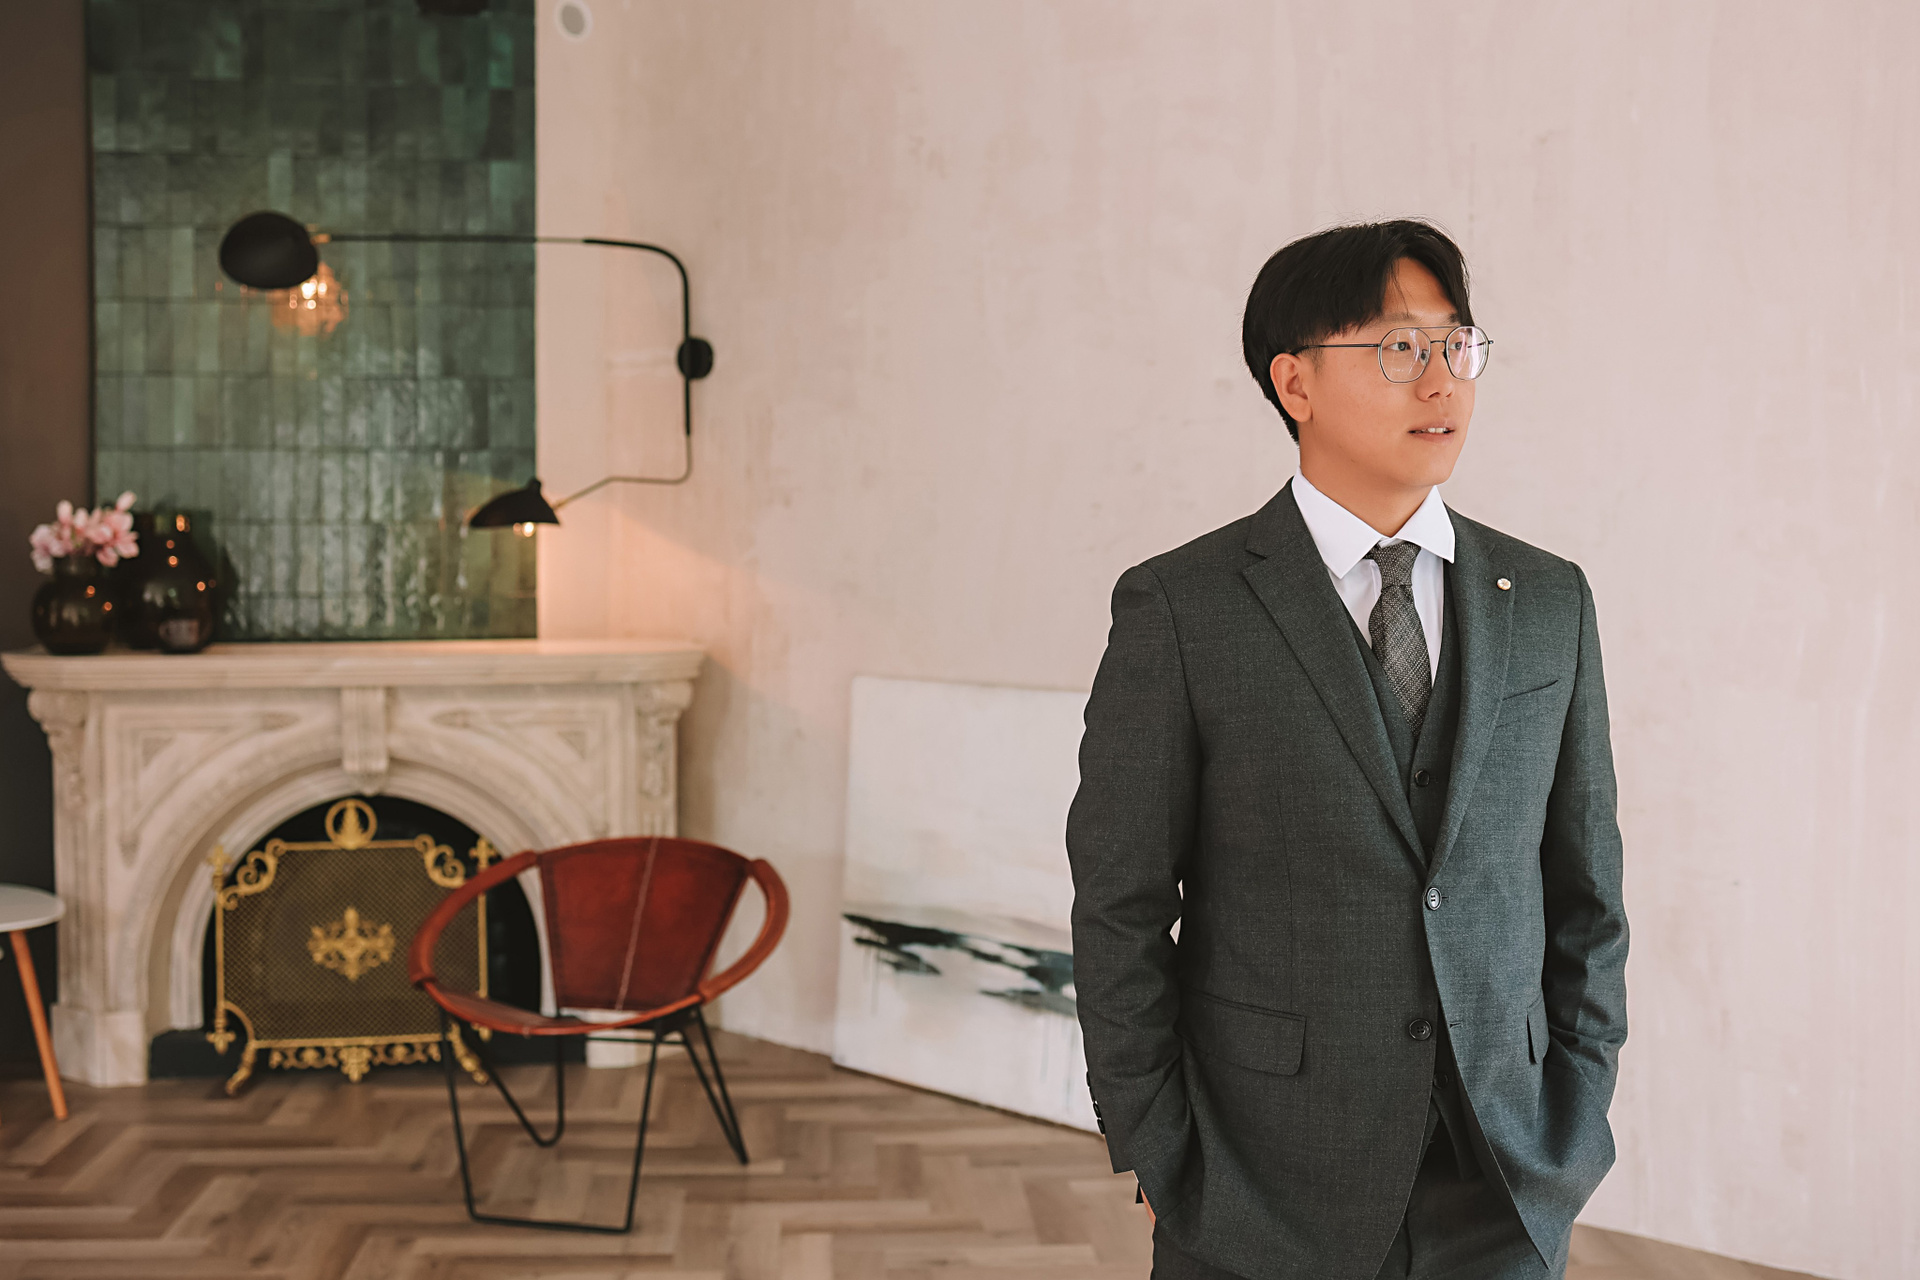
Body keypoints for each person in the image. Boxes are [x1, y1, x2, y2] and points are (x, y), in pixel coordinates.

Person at [1066, 220, 1628, 1280]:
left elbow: (1587, 887)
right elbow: (1119, 905)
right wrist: (1159, 1147)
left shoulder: (1551, 599)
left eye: (1457, 345)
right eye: (1399, 347)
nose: (1442, 379)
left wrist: (1577, 1106)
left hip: (1506, 1172)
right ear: (1296, 383)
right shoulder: (1183, 607)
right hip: (1258, 1179)